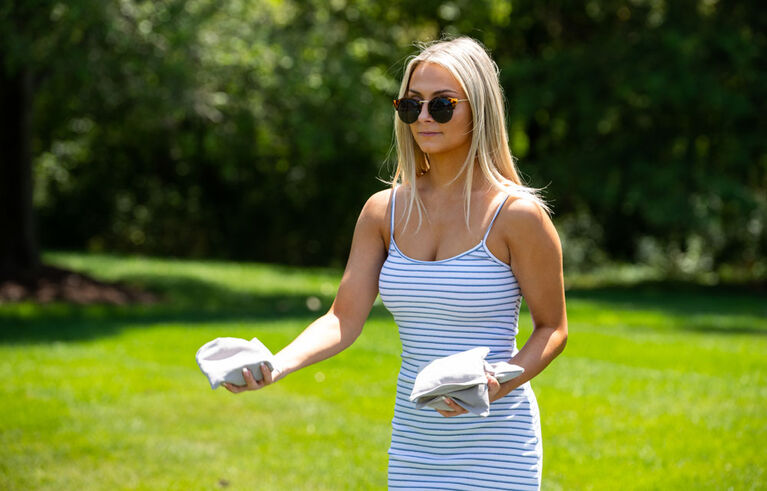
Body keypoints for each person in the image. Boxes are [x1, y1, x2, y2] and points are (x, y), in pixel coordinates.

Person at [223, 36, 567, 490]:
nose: (423, 117)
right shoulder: (382, 212)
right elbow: (342, 318)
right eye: (411, 105)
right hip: (414, 442)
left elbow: (552, 328)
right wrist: (277, 364)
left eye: (442, 105)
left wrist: (498, 384)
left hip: (496, 442)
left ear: (478, 110)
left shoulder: (517, 215)